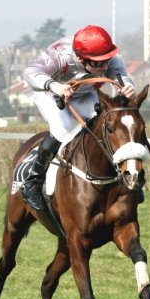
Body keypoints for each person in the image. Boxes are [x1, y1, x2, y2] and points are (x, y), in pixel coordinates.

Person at [21, 25, 135, 210]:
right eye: (98, 64)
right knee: (63, 128)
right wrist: (55, 86)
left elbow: (120, 75)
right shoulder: (60, 55)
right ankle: (33, 181)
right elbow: (30, 72)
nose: (105, 67)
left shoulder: (107, 56)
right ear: (81, 59)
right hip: (51, 94)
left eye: (106, 60)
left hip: (83, 94)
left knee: (103, 126)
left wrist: (127, 85)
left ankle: (119, 177)